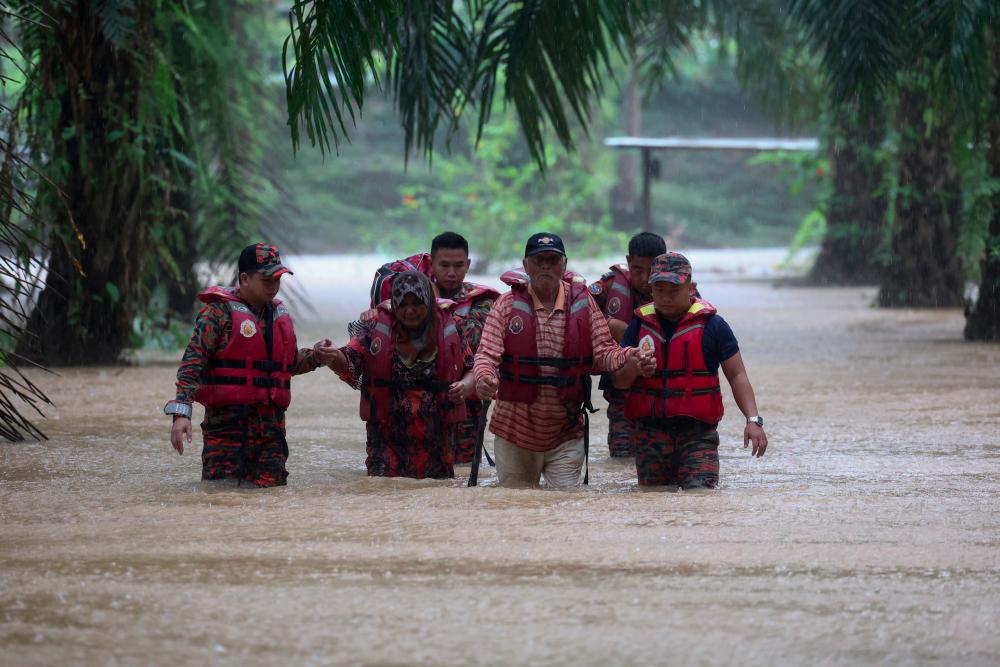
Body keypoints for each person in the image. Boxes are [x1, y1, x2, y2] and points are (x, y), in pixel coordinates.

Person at [473, 232, 653, 488]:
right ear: (526, 266)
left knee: (565, 504)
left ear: (564, 265)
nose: (545, 266)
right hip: (514, 432)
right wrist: (485, 379)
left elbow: (604, 352)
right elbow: (486, 355)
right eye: (538, 260)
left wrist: (629, 355)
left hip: (565, 434)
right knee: (517, 507)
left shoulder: (583, 303)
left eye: (552, 260)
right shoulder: (507, 305)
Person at [164, 243, 338, 487]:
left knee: (271, 503)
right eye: (267, 279)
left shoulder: (278, 315)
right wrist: (181, 413)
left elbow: (286, 364)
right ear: (245, 278)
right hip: (226, 430)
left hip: (271, 433)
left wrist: (317, 356)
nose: (274, 286)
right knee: (222, 498)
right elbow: (192, 364)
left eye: (278, 279)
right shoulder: (217, 314)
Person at [612, 252, 768, 490]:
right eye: (659, 290)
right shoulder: (638, 326)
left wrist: (753, 421)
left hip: (698, 436)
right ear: (651, 289)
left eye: (674, 290)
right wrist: (634, 368)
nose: (666, 298)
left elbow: (737, 375)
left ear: (691, 287)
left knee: (700, 498)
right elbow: (620, 382)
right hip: (649, 437)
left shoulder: (714, 326)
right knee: (651, 502)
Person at [359, 232, 499, 464]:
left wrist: (433, 304)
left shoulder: (482, 301)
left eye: (458, 265)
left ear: (468, 265)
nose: (451, 273)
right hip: (408, 404)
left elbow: (470, 337)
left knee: (460, 473)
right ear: (431, 264)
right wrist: (375, 317)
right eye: (444, 265)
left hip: (462, 404)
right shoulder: (405, 298)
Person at [329, 271, 475, 479]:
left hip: (437, 446)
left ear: (429, 302)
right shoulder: (374, 328)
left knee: (436, 501)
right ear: (394, 304)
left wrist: (466, 386)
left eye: (417, 303)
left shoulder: (450, 328)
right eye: (403, 304)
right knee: (384, 498)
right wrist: (334, 356)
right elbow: (350, 361)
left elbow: (472, 367)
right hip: (385, 445)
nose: (409, 311)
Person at [589, 231, 666, 458]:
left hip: (663, 393)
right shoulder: (609, 285)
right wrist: (610, 325)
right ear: (628, 261)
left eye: (651, 270)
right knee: (622, 461)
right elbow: (576, 311)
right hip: (621, 394)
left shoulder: (678, 290)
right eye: (637, 270)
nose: (644, 278)